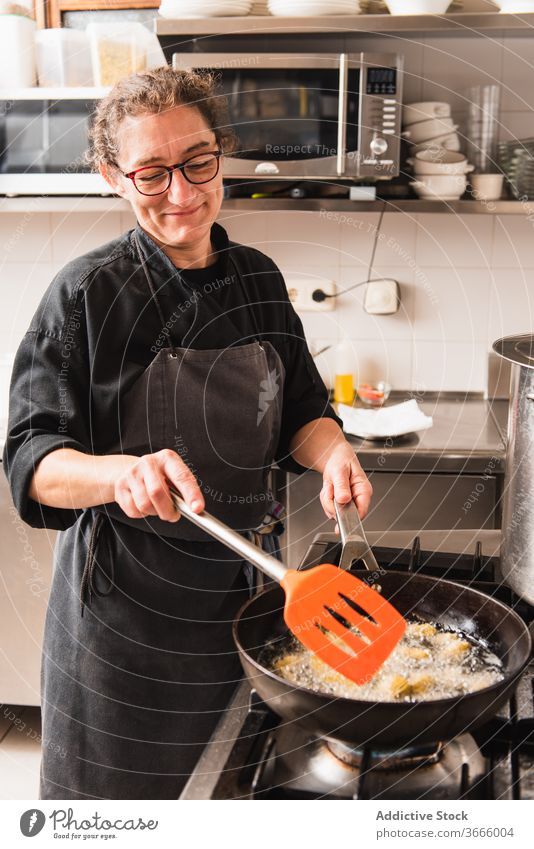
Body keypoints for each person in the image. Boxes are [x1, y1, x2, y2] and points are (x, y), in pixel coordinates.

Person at [2, 66, 372, 800]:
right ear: (115, 177)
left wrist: (334, 452)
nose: (182, 192)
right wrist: (119, 474)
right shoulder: (85, 294)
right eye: (152, 174)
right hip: (122, 623)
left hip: (248, 601)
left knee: (220, 796)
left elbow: (303, 410)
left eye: (198, 161)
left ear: (220, 151)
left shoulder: (259, 280)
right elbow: (29, 459)